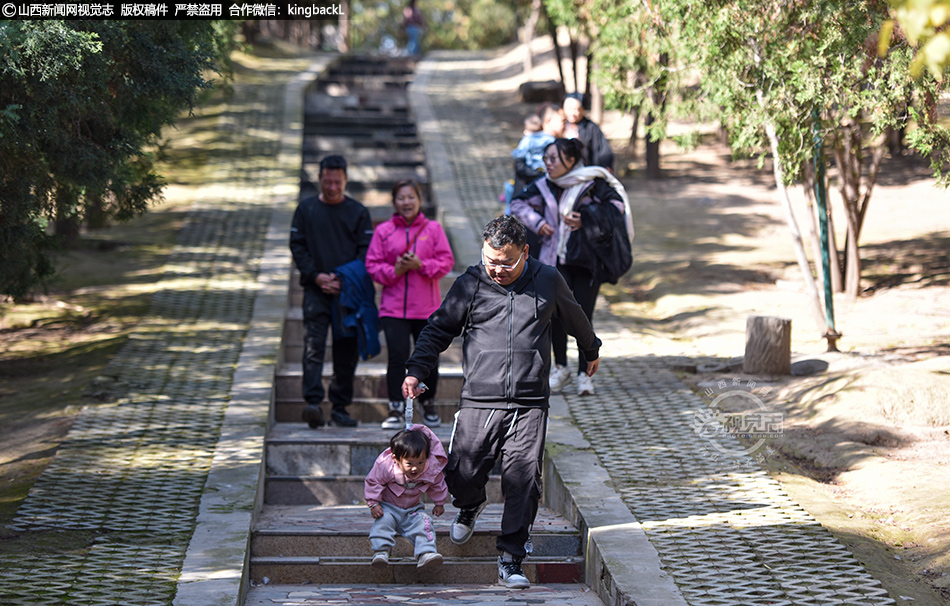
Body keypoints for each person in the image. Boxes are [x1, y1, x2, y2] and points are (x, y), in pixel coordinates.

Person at [401, 215, 601, 589]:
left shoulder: (547, 279)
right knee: (461, 473)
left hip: (529, 401)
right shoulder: (471, 283)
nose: (497, 270)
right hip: (479, 397)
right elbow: (438, 328)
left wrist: (591, 348)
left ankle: (511, 558)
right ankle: (471, 504)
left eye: (506, 262)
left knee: (522, 481)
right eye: (491, 260)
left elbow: (575, 317)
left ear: (525, 252)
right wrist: (416, 370)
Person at [510, 138, 632, 396]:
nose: (548, 164)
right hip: (554, 261)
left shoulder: (594, 183)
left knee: (583, 316)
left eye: (554, 158)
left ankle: (584, 374)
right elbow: (517, 203)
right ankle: (561, 367)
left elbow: (616, 207)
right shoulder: (544, 185)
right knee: (555, 315)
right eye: (546, 158)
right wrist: (537, 221)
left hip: (587, 262)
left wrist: (585, 218)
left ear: (572, 160)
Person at [290, 155, 374, 428]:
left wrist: (341, 278)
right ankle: (313, 403)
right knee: (313, 347)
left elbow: (366, 253)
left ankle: (340, 407)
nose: (332, 186)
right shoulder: (305, 210)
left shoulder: (359, 212)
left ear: (345, 181)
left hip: (348, 293)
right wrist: (316, 276)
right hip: (316, 291)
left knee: (346, 350)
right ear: (320, 179)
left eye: (337, 182)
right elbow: (297, 246)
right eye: (327, 181)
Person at [366, 179, 454, 430]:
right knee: (396, 356)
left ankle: (428, 404)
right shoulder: (383, 231)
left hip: (426, 307)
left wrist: (420, 265)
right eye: (401, 198)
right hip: (393, 308)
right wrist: (395, 270)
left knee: (428, 358)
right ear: (394, 202)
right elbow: (373, 265)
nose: (406, 202)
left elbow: (446, 262)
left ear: (419, 199)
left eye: (411, 197)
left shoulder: (433, 228)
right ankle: (395, 406)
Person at [364, 425, 448, 570]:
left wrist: (439, 502)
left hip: (413, 509)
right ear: (397, 459)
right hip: (388, 507)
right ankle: (381, 551)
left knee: (425, 522)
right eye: (409, 464)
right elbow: (374, 481)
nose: (415, 468)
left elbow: (437, 484)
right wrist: (373, 503)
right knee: (383, 522)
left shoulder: (430, 468)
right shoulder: (386, 466)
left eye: (420, 463)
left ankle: (426, 553)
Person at [562, 92, 615, 172]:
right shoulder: (560, 125)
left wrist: (606, 166)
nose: (572, 113)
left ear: (583, 110)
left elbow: (604, 150)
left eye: (576, 109)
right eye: (569, 109)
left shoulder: (591, 127)